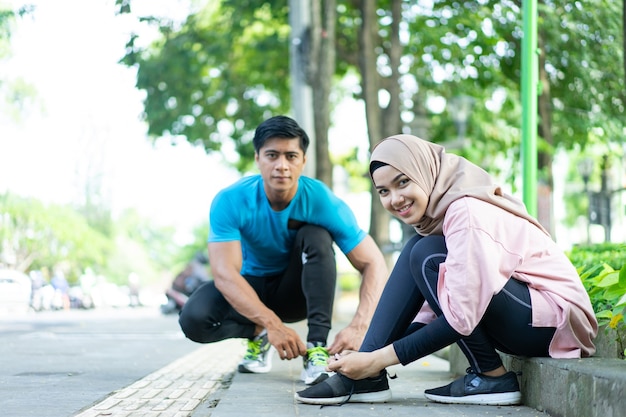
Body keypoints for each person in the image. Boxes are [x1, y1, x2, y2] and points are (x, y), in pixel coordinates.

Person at [295, 134, 598, 405]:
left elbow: (459, 317)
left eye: (403, 182)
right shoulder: (439, 218)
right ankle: (364, 380)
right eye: (383, 191)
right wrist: (367, 356)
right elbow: (433, 310)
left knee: (426, 253)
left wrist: (378, 358)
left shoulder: (465, 211)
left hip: (555, 323)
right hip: (527, 318)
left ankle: (491, 377)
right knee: (418, 248)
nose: (395, 199)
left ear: (424, 173)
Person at [178, 115, 389, 385]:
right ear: (257, 159)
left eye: (291, 156)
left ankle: (316, 348)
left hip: (296, 293)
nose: (281, 166)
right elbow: (223, 273)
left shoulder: (321, 200)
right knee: (194, 320)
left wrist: (360, 325)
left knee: (315, 234)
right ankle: (259, 334)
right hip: (249, 288)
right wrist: (271, 325)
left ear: (303, 161)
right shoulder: (231, 200)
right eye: (272, 155)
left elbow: (373, 263)